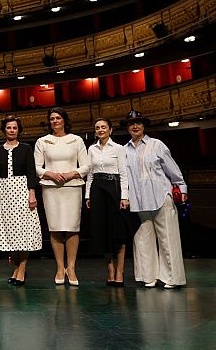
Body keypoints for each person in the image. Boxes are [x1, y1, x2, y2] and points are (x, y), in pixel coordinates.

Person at [121, 110, 187, 289]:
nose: (135, 126)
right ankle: (148, 276)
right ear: (127, 128)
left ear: (143, 126)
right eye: (131, 123)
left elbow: (173, 169)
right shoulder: (124, 150)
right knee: (143, 239)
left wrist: (182, 188)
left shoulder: (157, 145)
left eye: (138, 123)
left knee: (167, 238)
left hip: (160, 196)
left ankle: (172, 277)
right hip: (138, 201)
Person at [34, 107, 90, 286]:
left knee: (72, 227)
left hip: (72, 187)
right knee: (56, 227)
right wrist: (50, 174)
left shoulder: (76, 140)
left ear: (64, 120)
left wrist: (70, 174)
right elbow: (36, 167)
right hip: (51, 189)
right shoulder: (43, 141)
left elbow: (86, 166)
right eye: (52, 119)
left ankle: (71, 268)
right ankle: (60, 267)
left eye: (58, 118)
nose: (55, 121)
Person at [0, 115, 41, 286]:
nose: (12, 130)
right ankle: (16, 268)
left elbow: (31, 172)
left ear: (18, 130)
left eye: (14, 128)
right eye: (9, 128)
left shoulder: (26, 148)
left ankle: (22, 269)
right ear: (4, 130)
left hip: (22, 191)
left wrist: (32, 193)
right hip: (5, 192)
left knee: (24, 231)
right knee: (10, 232)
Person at [85, 117, 134, 287]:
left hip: (114, 189)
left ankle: (120, 271)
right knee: (102, 233)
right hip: (97, 190)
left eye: (104, 127)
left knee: (118, 233)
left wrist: (124, 196)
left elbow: (123, 173)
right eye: (97, 127)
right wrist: (87, 196)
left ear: (110, 130)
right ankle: (110, 270)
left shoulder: (119, 149)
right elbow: (90, 174)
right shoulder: (91, 149)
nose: (100, 130)